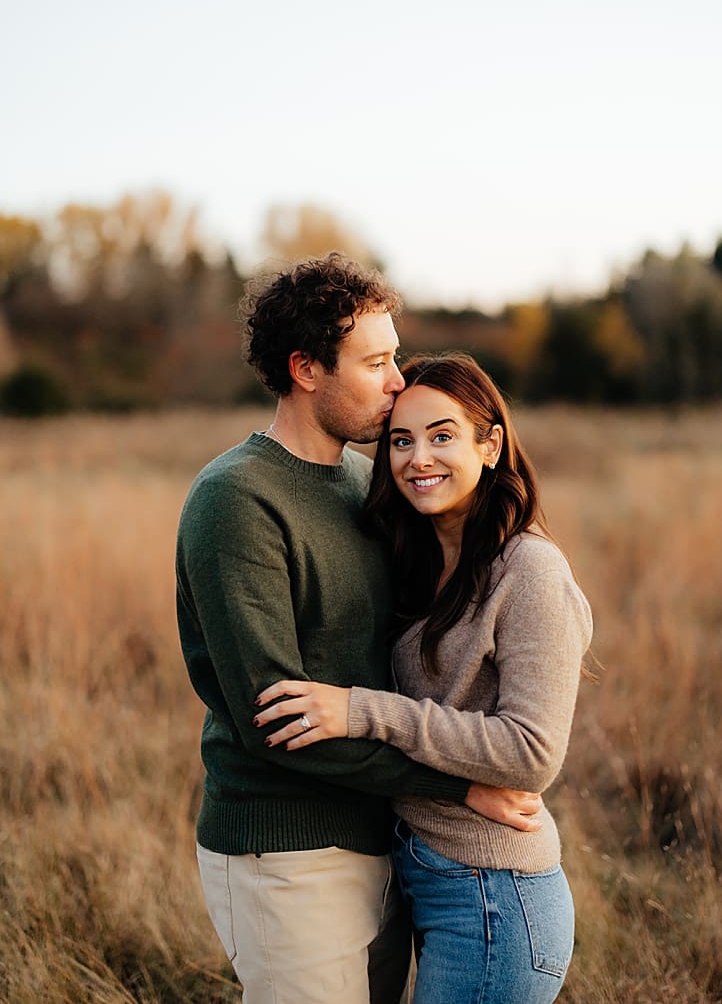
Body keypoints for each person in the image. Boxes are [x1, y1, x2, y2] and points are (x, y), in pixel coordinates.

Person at [176, 254, 543, 1004]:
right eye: (376, 362)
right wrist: (461, 783)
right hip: (287, 851)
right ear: (306, 368)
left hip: (389, 839)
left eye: (396, 357)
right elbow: (271, 718)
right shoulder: (236, 499)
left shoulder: (364, 482)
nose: (399, 382)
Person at [254, 353, 593, 1003]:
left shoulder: (529, 570)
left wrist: (363, 711)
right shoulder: (418, 556)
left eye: (442, 435)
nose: (418, 458)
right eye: (401, 440)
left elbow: (532, 754)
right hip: (423, 874)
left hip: (494, 897)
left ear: (490, 444)